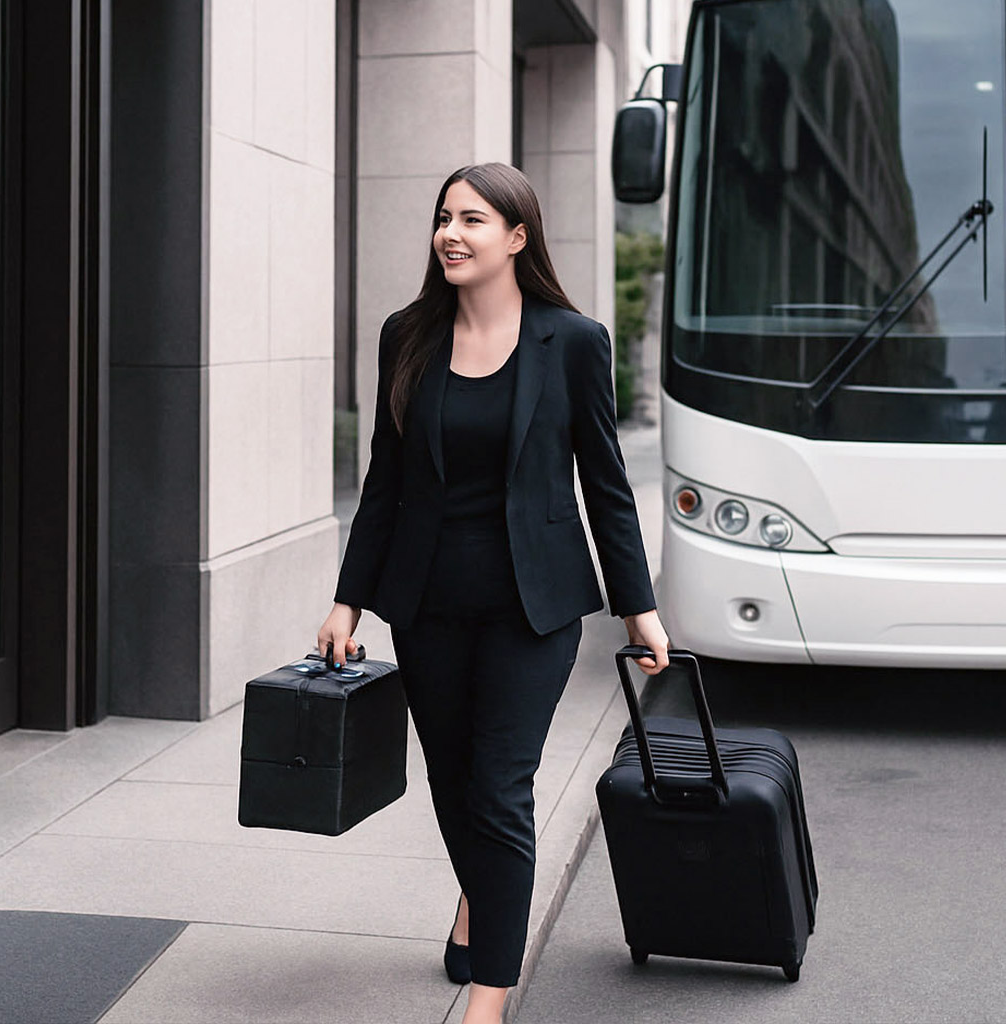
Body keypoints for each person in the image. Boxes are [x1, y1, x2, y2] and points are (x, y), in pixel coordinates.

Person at [318, 162, 670, 1024]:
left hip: (533, 609)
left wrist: (639, 604)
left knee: (501, 787)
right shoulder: (407, 335)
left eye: (473, 219)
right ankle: (480, 896)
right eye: (444, 217)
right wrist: (346, 601)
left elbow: (607, 485)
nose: (452, 233)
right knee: (450, 779)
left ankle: (489, 994)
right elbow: (385, 484)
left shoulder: (574, 341)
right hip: (429, 602)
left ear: (517, 237)